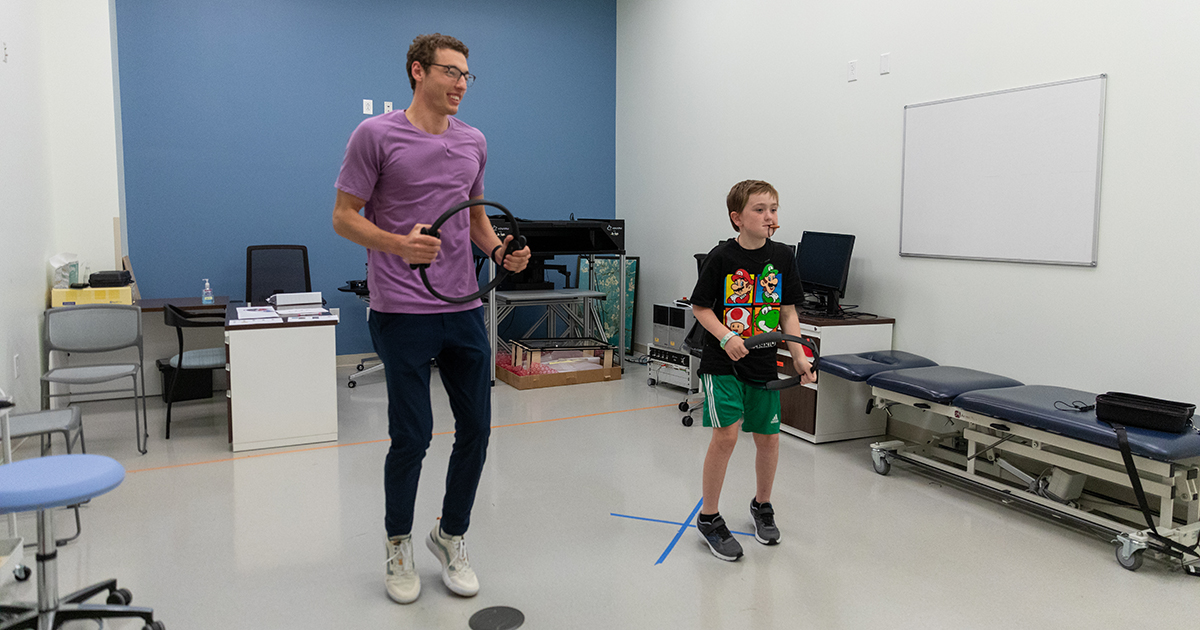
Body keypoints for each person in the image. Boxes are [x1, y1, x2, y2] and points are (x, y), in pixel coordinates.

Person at [331, 33, 530, 604]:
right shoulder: (375, 135)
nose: (462, 83)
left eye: (468, 74)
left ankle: (450, 535)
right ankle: (398, 545)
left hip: (464, 307)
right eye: (450, 72)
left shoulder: (474, 141)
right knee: (412, 436)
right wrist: (397, 244)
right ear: (418, 72)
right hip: (401, 310)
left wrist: (499, 253)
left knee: (477, 431)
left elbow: (475, 220)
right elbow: (344, 218)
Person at [689, 179, 815, 561]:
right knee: (726, 437)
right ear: (737, 218)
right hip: (722, 362)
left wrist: (797, 355)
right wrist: (727, 336)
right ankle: (709, 517)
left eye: (773, 208)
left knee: (768, 438)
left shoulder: (784, 257)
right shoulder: (721, 257)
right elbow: (700, 307)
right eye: (759, 209)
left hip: (763, 363)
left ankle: (762, 506)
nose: (769, 216)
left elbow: (788, 311)